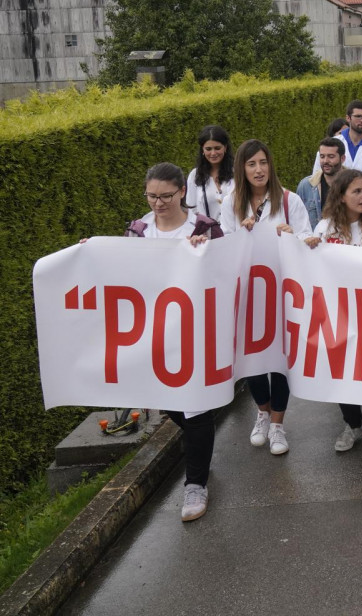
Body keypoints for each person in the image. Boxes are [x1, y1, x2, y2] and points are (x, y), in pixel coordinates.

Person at [114, 163, 223, 521]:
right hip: (155, 335)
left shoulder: (206, 228)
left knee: (194, 407)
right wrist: (92, 255)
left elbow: (225, 274)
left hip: (197, 334)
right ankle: (201, 456)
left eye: (165, 195)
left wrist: (204, 253)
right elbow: (122, 274)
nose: (158, 202)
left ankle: (196, 484)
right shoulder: (138, 231)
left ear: (181, 193)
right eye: (151, 195)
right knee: (171, 403)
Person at [220, 139, 312, 456]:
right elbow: (224, 246)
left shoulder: (289, 200)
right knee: (254, 359)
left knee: (280, 361)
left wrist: (292, 236)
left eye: (263, 162)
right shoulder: (232, 203)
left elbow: (308, 240)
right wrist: (241, 234)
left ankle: (277, 424)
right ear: (242, 169)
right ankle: (262, 411)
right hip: (249, 295)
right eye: (251, 164)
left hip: (282, 292)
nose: (259, 170)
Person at [303, 169, 362, 453]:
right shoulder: (325, 229)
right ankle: (352, 423)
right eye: (356, 191)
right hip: (337, 313)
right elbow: (311, 269)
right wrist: (309, 248)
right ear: (341, 196)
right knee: (343, 371)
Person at [314, 100, 362, 216]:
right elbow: (318, 172)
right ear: (348, 118)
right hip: (337, 202)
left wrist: (343, 179)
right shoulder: (336, 142)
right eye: (358, 116)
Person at [185, 125, 235, 222]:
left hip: (236, 232)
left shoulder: (238, 172)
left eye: (217, 148)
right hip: (208, 235)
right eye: (208, 149)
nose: (213, 153)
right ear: (202, 150)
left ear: (225, 147)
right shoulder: (194, 176)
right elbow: (191, 210)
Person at [297, 138, 345, 229]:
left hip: (347, 241)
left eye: (331, 156)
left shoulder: (358, 183)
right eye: (322, 156)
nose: (325, 161)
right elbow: (297, 219)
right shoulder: (306, 186)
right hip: (316, 241)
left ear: (342, 158)